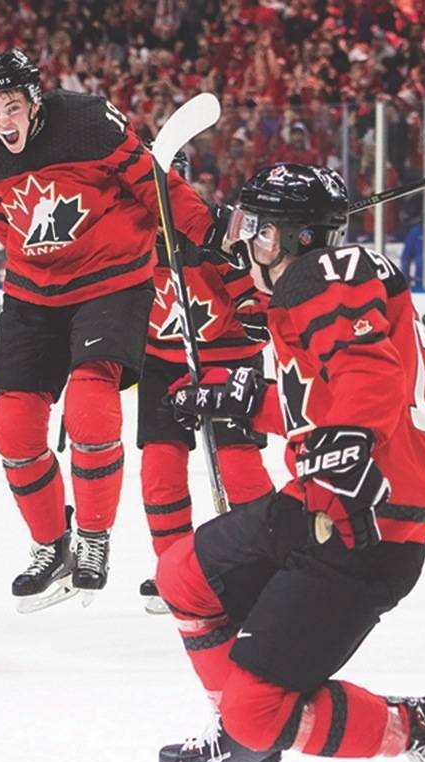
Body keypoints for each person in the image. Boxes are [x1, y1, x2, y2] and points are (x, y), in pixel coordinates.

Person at [157, 163, 425, 762]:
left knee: (259, 711)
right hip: (319, 500)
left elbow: (370, 377)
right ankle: (242, 742)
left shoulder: (325, 276)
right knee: (182, 575)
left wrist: (349, 440)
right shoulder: (304, 293)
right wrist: (237, 398)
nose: (244, 239)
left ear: (294, 238)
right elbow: (319, 405)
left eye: (256, 228)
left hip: (369, 525)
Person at [0, 49, 220, 612]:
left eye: (12, 106)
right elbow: (3, 227)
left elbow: (152, 182)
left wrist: (205, 227)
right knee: (13, 427)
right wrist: (44, 266)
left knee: (88, 404)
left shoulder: (87, 122)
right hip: (32, 294)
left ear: (34, 100)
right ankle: (50, 543)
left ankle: (93, 539)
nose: (3, 120)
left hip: (111, 281)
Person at [136, 151, 274, 614]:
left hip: (227, 356)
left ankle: (268, 559)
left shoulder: (216, 228)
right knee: (160, 466)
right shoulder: (128, 236)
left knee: (237, 465)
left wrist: (255, 312)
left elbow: (252, 280)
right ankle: (177, 568)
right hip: (163, 360)